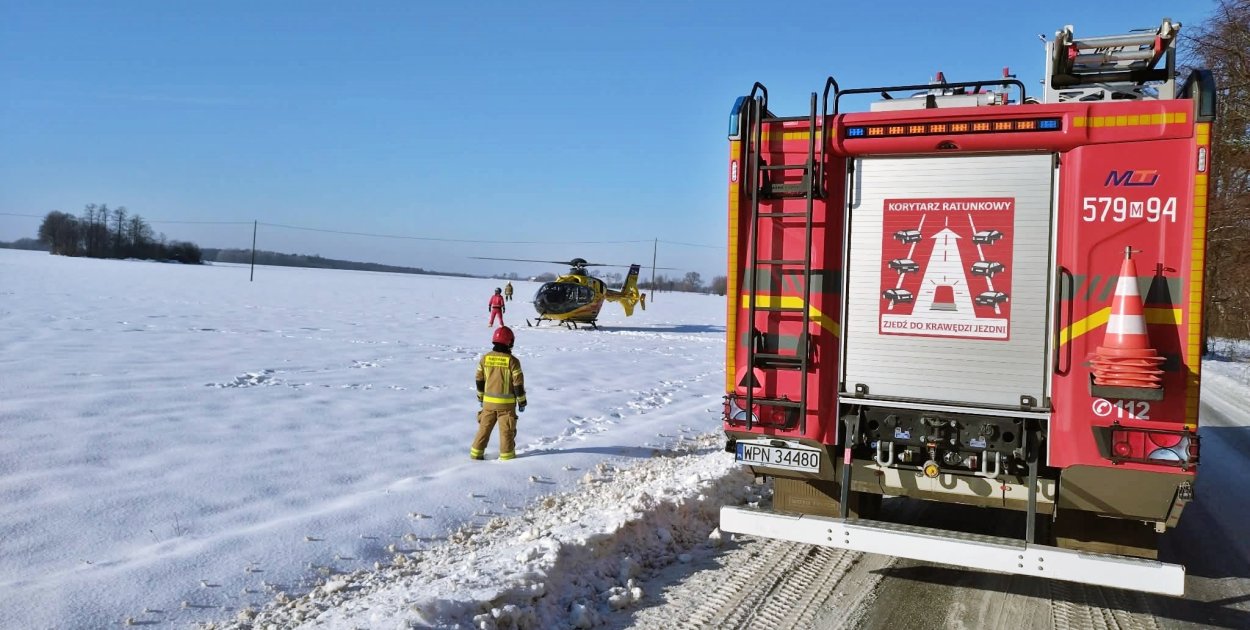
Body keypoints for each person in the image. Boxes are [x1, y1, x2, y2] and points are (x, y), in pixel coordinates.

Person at [470, 326, 526, 461]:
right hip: (506, 407)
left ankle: (476, 455)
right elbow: (518, 384)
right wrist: (522, 401)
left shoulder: (485, 359)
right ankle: (507, 458)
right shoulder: (512, 361)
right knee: (506, 432)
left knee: (483, 430)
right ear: (509, 342)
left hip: (488, 404)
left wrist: (480, 397)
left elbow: (479, 379)